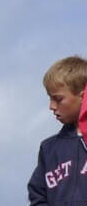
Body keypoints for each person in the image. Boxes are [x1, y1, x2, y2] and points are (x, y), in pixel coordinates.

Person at [28, 56, 87, 205]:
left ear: (82, 96)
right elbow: (37, 195)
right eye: (50, 98)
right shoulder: (49, 149)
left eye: (58, 99)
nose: (51, 106)